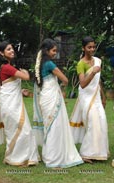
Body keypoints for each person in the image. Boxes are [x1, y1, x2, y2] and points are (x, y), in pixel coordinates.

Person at [0, 41, 38, 166]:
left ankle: (19, 157)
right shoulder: (7, 67)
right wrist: (25, 71)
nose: (12, 50)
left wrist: (20, 91)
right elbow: (26, 77)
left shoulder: (7, 67)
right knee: (21, 130)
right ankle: (17, 158)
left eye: (12, 48)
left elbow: (9, 86)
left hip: (12, 102)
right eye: (8, 49)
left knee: (20, 130)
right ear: (2, 53)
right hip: (10, 104)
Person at [32, 38, 83, 168]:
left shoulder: (40, 64)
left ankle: (49, 155)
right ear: (47, 51)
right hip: (52, 97)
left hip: (45, 96)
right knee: (56, 126)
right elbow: (65, 79)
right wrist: (62, 86)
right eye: (54, 50)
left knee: (49, 126)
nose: (55, 53)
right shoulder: (49, 64)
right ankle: (55, 157)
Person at [70, 36, 109, 163]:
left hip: (96, 96)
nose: (92, 49)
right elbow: (82, 84)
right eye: (89, 47)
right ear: (83, 48)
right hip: (86, 97)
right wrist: (92, 72)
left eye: (93, 46)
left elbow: (98, 83)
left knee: (101, 121)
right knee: (93, 123)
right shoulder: (81, 64)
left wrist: (103, 96)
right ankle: (86, 153)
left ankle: (99, 152)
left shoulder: (97, 61)